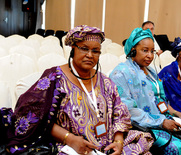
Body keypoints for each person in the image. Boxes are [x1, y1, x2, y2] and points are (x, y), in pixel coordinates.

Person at [5, 25, 154, 155]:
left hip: (109, 144)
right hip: (71, 146)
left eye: (95, 51)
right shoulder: (54, 78)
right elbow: (34, 115)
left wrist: (119, 141)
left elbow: (120, 114)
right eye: (84, 49)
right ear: (72, 50)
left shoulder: (105, 81)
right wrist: (69, 139)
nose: (90, 55)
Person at [109, 27, 181, 154]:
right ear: (132, 50)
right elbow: (128, 111)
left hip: (164, 119)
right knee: (177, 148)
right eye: (145, 50)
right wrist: (161, 122)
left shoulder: (151, 72)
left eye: (152, 51)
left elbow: (160, 101)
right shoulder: (120, 73)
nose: (150, 56)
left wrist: (177, 114)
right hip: (143, 126)